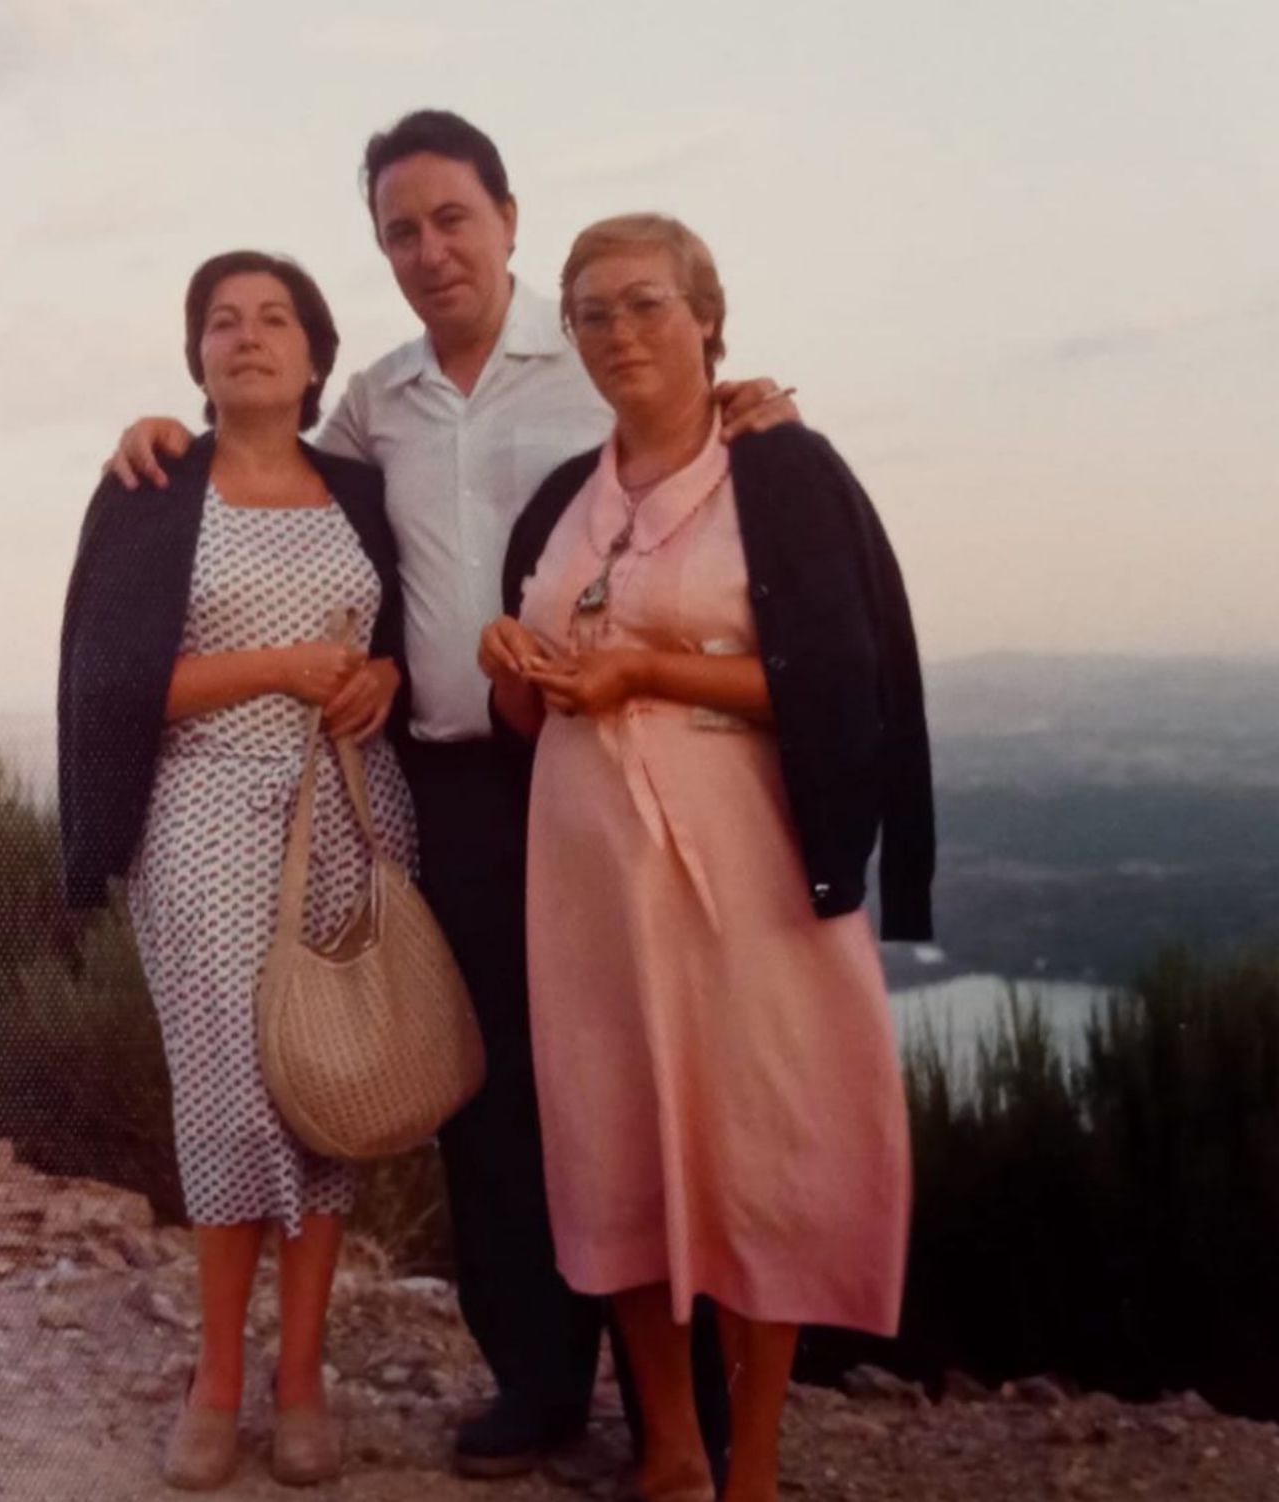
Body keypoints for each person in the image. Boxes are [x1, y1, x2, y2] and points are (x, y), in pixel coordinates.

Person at [104, 112, 800, 1481]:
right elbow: (284, 476)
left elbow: (693, 427)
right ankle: (537, 1380)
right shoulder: (377, 397)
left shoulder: (597, 355)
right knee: (484, 1094)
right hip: (449, 784)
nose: (429, 251)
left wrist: (753, 406)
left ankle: (700, 1420)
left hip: (610, 768)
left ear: (509, 216)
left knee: (652, 1079)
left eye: (451, 219)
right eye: (400, 232)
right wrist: (160, 436)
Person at [478, 213, 933, 1502]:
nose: (619, 332)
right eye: (591, 311)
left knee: (763, 1140)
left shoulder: (784, 474)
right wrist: (509, 666)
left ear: (705, 318)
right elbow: (527, 716)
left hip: (751, 862)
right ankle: (670, 1447)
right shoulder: (566, 498)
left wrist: (646, 669)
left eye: (646, 305)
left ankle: (759, 1464)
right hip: (586, 876)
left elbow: (844, 681)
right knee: (615, 1137)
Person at [58, 250, 416, 1490]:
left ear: (316, 357)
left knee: (329, 1091)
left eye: (275, 319)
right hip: (201, 814)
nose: (248, 336)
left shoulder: (364, 493)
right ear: (196, 359)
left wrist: (382, 678)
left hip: (353, 812)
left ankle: (301, 1376)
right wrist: (275, 667)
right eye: (223, 321)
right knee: (223, 1092)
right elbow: (109, 683)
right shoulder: (154, 486)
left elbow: (404, 643)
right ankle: (218, 1376)